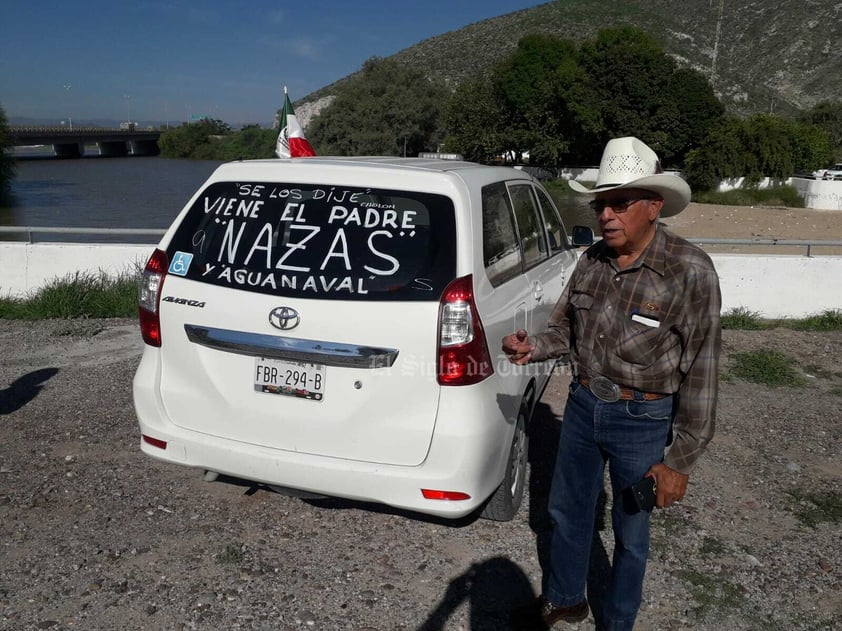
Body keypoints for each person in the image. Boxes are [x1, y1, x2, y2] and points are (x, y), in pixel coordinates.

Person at [504, 137, 721, 630]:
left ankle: (617, 622)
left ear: (653, 206)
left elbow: (703, 371)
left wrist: (679, 460)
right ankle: (565, 599)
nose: (606, 214)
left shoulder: (689, 270)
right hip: (582, 406)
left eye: (619, 203)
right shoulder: (592, 260)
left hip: (642, 418)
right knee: (566, 511)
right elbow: (564, 327)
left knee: (631, 532)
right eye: (601, 203)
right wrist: (533, 347)